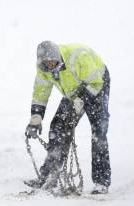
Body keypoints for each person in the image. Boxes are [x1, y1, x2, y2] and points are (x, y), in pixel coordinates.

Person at [24, 41, 111, 194]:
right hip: (73, 91)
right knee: (57, 128)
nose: (50, 65)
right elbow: (40, 94)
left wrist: (82, 100)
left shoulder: (79, 56)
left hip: (97, 85)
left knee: (98, 132)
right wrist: (36, 118)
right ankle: (50, 174)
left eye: (52, 61)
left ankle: (101, 182)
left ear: (59, 57)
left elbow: (96, 83)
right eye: (46, 62)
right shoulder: (43, 70)